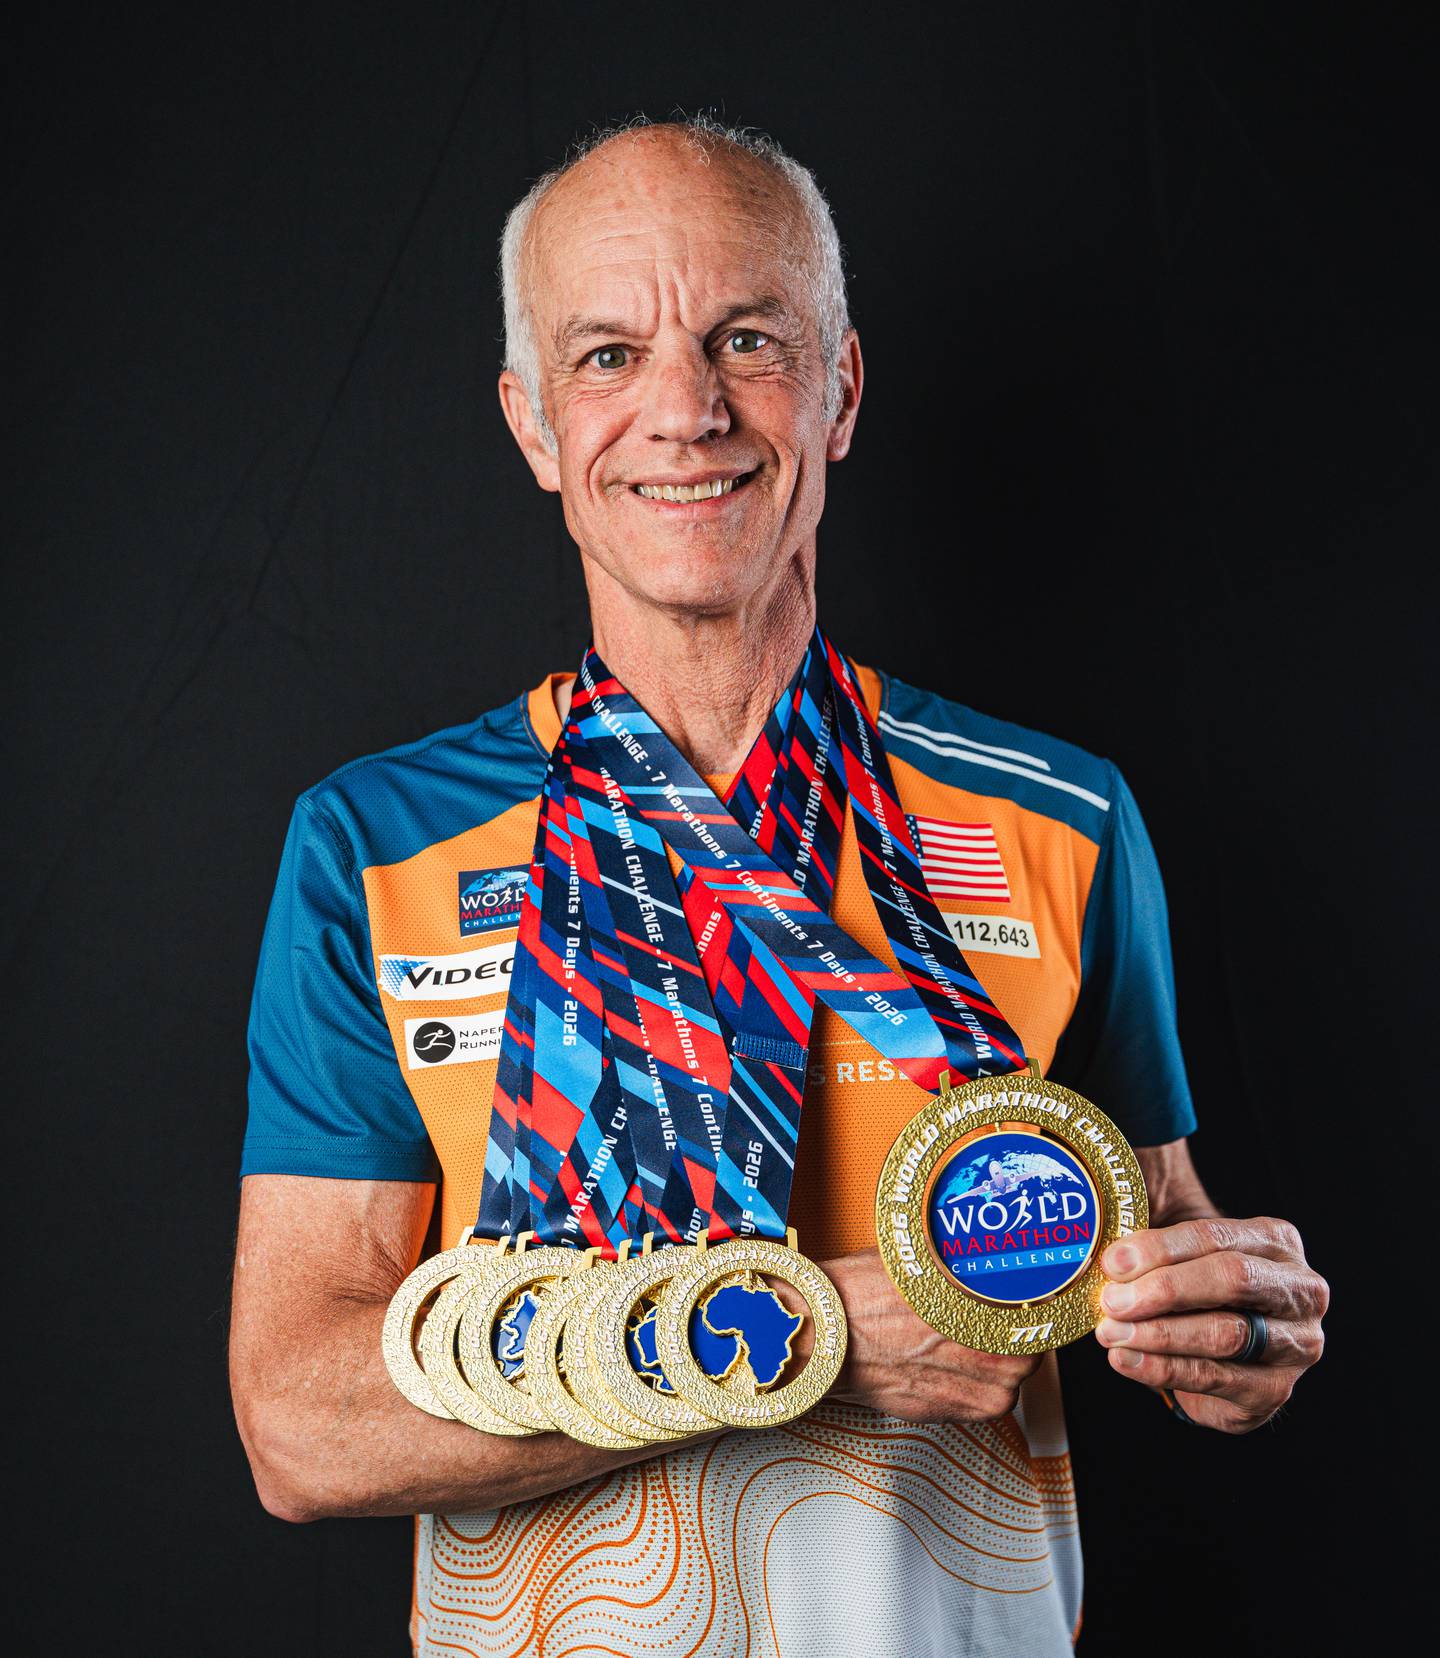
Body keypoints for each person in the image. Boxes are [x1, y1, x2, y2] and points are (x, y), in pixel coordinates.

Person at [230, 117, 1328, 1657]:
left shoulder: (1061, 818)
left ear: (842, 389)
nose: (686, 412)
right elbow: (299, 1424)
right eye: (608, 355)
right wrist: (793, 1338)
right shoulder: (374, 845)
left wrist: (1238, 1326)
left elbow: (1157, 1233)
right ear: (534, 424)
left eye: (747, 340)